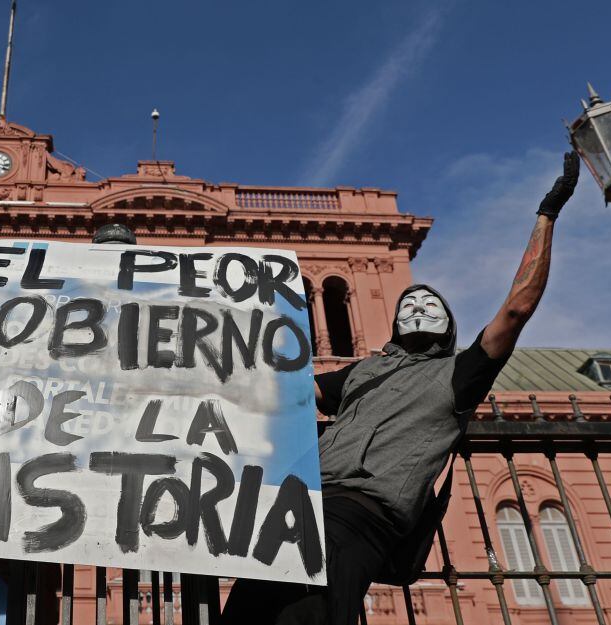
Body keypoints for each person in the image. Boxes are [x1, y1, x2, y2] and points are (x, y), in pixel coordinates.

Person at [221, 151, 580, 625]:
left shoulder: (460, 373)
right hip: (301, 505)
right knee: (245, 609)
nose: (417, 304)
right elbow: (281, 394)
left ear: (449, 325)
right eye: (409, 300)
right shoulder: (364, 373)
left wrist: (547, 215)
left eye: (430, 302)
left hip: (361, 512)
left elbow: (516, 310)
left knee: (311, 608)